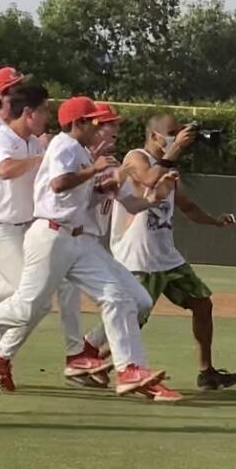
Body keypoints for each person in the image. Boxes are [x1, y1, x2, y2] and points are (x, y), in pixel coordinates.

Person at [0, 96, 166, 395]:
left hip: (73, 238)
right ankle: (80, 357)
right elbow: (58, 185)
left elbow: (83, 194)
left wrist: (105, 184)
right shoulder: (65, 144)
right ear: (79, 123)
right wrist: (95, 172)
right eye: (97, 122)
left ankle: (128, 369)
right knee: (27, 309)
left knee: (117, 297)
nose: (103, 127)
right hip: (51, 234)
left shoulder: (81, 152)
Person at [56, 104, 182, 400]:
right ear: (92, 127)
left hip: (87, 244)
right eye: (109, 124)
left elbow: (132, 204)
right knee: (27, 304)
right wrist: (104, 176)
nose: (115, 130)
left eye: (114, 124)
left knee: (139, 300)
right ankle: (116, 366)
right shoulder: (76, 156)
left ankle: (106, 362)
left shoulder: (108, 163)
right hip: (61, 239)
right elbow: (63, 191)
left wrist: (154, 199)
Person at [108, 114, 236, 390]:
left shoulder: (169, 167)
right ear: (154, 135)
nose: (176, 136)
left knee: (202, 303)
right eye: (171, 132)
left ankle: (207, 372)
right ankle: (93, 358)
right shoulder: (136, 157)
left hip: (166, 257)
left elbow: (187, 206)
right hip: (139, 258)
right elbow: (147, 179)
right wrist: (176, 149)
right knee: (132, 319)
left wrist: (215, 221)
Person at [0, 83, 47, 303]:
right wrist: (38, 160)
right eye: (43, 110)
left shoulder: (36, 143)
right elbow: (5, 170)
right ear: (28, 113)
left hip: (28, 229)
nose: (46, 117)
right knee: (29, 296)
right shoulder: (2, 137)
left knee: (25, 295)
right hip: (3, 229)